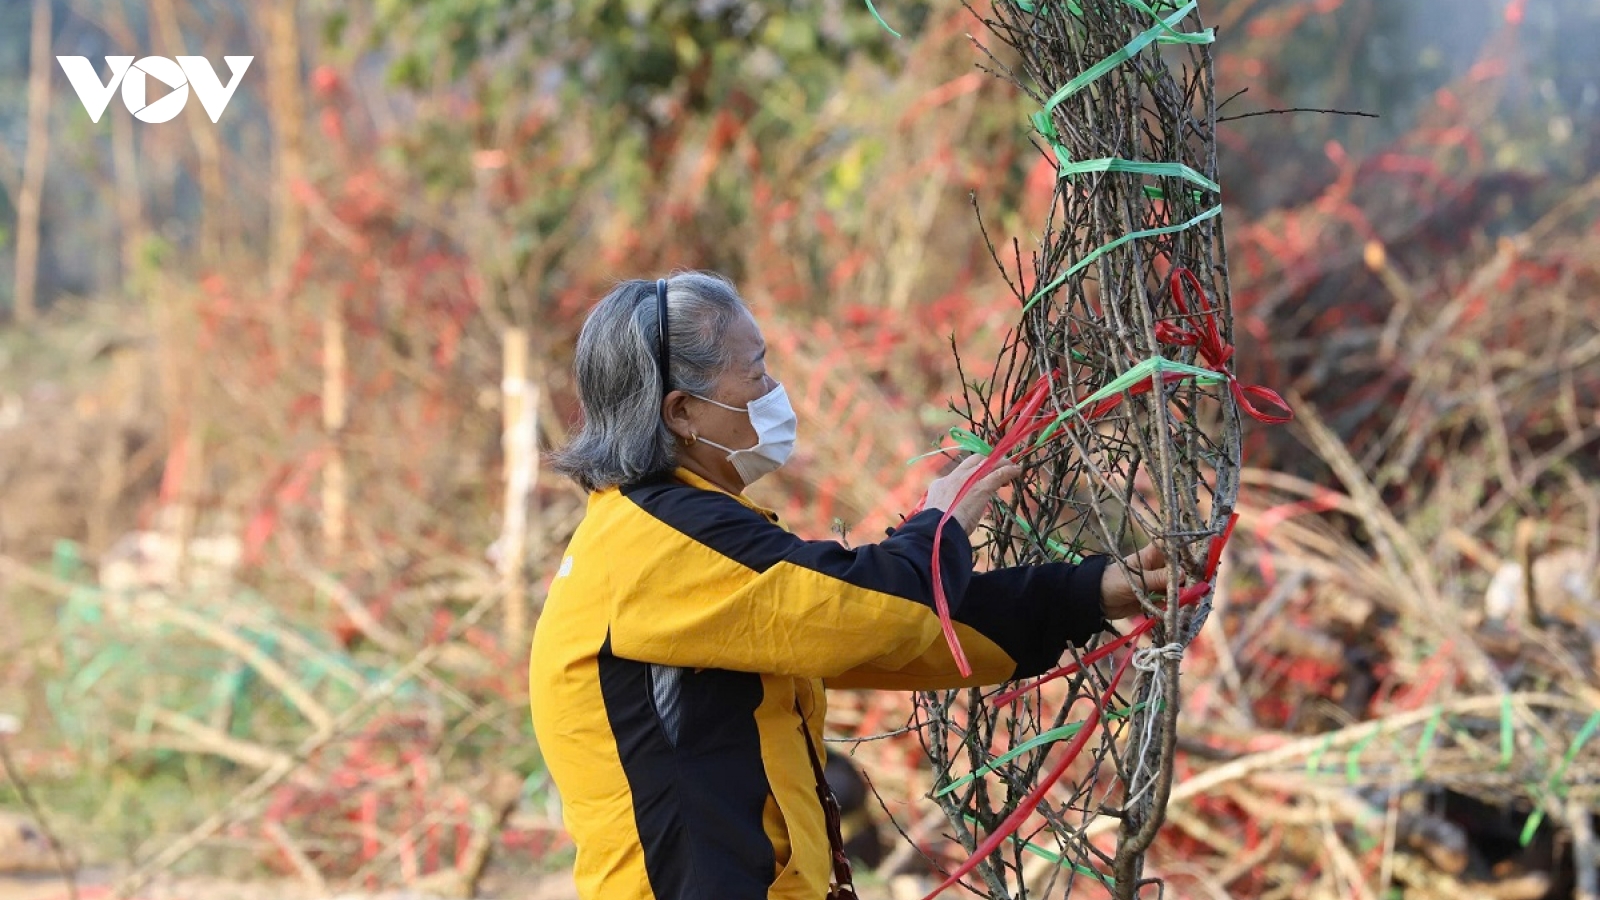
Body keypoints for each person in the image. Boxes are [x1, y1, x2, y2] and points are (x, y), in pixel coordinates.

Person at [529, 271, 1169, 900]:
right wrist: (941, 523)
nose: (774, 390)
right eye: (754, 374)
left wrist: (1087, 592)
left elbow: (886, 635)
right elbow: (880, 610)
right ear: (683, 411)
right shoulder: (659, 540)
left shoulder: (660, 530)